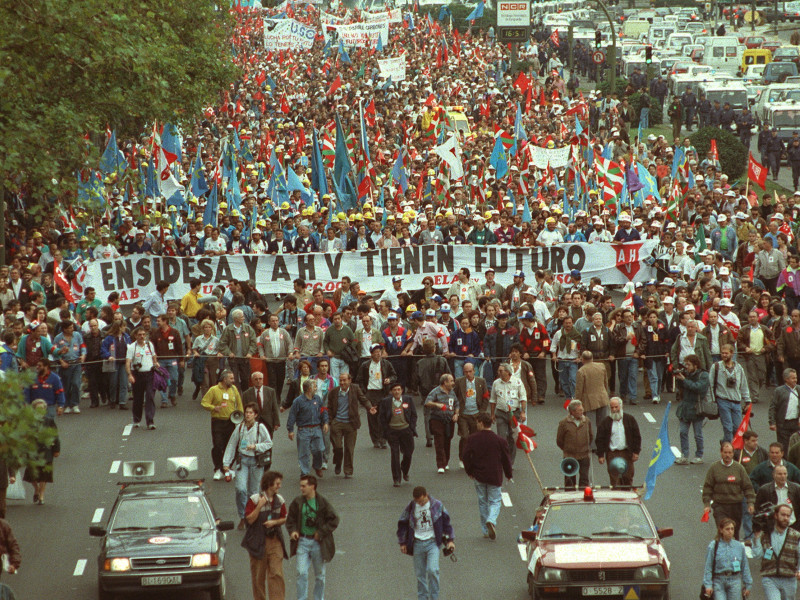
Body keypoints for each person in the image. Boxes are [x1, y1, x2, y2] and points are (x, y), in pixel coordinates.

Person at [396, 486, 455, 600]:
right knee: (420, 575)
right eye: (418, 502)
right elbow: (402, 523)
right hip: (417, 543)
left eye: (422, 501)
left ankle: (434, 597)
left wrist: (450, 541)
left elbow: (447, 523)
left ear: (426, 495)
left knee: (433, 570)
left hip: (432, 543)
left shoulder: (437, 505)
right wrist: (402, 542)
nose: (421, 504)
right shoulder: (411, 507)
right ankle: (422, 597)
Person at [286, 474, 339, 600]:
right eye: (301, 486)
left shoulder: (322, 502)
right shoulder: (297, 502)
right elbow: (291, 519)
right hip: (302, 542)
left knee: (320, 576)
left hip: (317, 543)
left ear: (312, 487)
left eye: (304, 486)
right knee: (301, 572)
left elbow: (334, 519)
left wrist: (321, 532)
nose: (301, 488)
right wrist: (293, 531)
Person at [222, 402, 273, 530]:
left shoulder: (260, 427)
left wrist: (256, 446)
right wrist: (226, 463)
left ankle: (252, 517)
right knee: (240, 489)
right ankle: (243, 516)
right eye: (247, 412)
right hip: (242, 461)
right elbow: (232, 444)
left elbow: (268, 443)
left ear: (255, 415)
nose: (248, 415)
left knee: (254, 492)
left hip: (256, 462)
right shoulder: (240, 427)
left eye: (251, 412)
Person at [462, 413, 513, 540]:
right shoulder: (500, 440)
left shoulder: (472, 439)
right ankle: (491, 520)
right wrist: (508, 474)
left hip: (478, 475)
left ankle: (485, 530)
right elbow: (506, 459)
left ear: (481, 423)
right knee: (495, 501)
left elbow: (465, 456)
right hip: (494, 475)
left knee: (482, 501)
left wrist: (469, 471)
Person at [243, 470, 288, 600]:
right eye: (277, 484)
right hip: (257, 542)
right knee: (258, 577)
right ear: (269, 484)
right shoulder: (255, 500)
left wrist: (275, 522)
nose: (279, 486)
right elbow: (249, 519)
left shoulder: (280, 500)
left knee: (276, 574)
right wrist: (259, 506)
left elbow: (285, 518)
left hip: (274, 541)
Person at [702, 442, 756, 539]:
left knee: (733, 533)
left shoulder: (739, 468)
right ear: (721, 452)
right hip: (720, 505)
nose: (727, 455)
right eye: (725, 452)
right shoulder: (714, 468)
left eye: (730, 453)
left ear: (733, 453)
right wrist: (707, 505)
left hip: (736, 506)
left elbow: (748, 487)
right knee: (724, 530)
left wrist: (750, 503)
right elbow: (707, 487)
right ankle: (719, 550)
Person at [327, 372, 375, 478]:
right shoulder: (334, 392)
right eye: (340, 380)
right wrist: (330, 421)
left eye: (344, 380)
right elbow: (329, 407)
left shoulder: (355, 389)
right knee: (338, 447)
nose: (342, 382)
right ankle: (338, 461)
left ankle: (348, 471)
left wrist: (369, 407)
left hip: (351, 423)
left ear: (350, 380)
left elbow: (363, 399)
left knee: (349, 448)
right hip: (337, 423)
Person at [201, 369, 244, 481]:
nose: (233, 380)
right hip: (218, 422)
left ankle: (227, 468)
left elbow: (239, 404)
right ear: (224, 379)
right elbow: (204, 402)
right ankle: (218, 469)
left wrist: (241, 419)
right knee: (218, 446)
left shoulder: (234, 389)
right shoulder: (214, 390)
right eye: (231, 378)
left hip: (231, 422)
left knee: (231, 447)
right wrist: (213, 408)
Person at [751, 504, 800, 600]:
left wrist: (799, 570)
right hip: (770, 578)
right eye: (783, 515)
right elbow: (758, 555)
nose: (785, 518)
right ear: (775, 515)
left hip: (789, 578)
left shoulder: (796, 536)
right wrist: (756, 537)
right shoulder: (765, 535)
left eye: (788, 515)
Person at [356, 342, 396, 449]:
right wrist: (364, 393)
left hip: (383, 393)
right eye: (376, 352)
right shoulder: (365, 365)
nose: (378, 354)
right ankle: (375, 440)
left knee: (383, 417)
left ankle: (383, 439)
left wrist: (389, 380)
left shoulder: (386, 364)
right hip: (371, 393)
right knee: (372, 418)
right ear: (371, 354)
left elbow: (394, 375)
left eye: (380, 352)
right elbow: (359, 380)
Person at [286, 379, 329, 478]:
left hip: (317, 428)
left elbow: (323, 410)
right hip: (303, 430)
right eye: (314, 386)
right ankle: (305, 473)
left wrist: (325, 422)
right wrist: (290, 430)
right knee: (304, 453)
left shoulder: (317, 399)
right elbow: (292, 415)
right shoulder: (298, 401)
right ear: (309, 389)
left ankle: (317, 466)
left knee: (319, 449)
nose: (316, 388)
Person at [702, 517, 753, 600]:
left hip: (735, 579)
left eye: (732, 529)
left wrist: (748, 584)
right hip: (719, 580)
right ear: (721, 530)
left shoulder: (739, 546)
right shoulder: (713, 546)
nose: (730, 531)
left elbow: (745, 566)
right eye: (727, 529)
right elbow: (708, 567)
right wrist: (708, 585)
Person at [595, 397, 641, 487]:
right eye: (612, 408)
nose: (614, 410)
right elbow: (600, 439)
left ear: (621, 406)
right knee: (615, 481)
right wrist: (601, 455)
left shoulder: (630, 419)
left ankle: (627, 497)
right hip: (612, 454)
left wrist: (636, 452)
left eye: (616, 407)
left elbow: (637, 436)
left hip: (627, 453)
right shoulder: (605, 422)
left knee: (628, 478)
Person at [379, 381, 417, 486]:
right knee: (394, 454)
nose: (397, 392)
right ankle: (396, 478)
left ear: (402, 391)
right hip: (393, 431)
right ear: (391, 392)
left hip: (406, 430)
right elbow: (381, 417)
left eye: (398, 389)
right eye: (394, 390)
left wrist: (411, 427)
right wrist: (386, 430)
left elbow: (414, 415)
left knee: (408, 453)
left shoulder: (408, 400)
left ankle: (404, 470)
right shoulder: (386, 402)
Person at [711, 344, 751, 443]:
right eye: (722, 353)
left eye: (726, 353)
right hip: (723, 400)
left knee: (737, 429)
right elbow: (710, 385)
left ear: (732, 354)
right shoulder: (716, 366)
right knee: (728, 427)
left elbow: (744, 384)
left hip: (736, 402)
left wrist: (747, 400)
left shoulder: (738, 368)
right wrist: (711, 401)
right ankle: (729, 449)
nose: (724, 355)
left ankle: (727, 444)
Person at [488, 363, 526, 465]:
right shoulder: (496, 383)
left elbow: (523, 398)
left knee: (512, 437)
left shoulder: (517, 382)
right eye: (498, 371)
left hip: (514, 413)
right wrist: (492, 414)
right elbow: (492, 400)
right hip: (500, 413)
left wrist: (523, 412)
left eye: (501, 371)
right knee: (501, 437)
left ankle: (510, 461)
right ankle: (501, 459)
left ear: (508, 372)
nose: (499, 373)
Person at [24, 398, 60, 505]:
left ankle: (42, 495)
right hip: (33, 451)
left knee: (44, 474)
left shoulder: (49, 421)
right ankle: (36, 489)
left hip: (46, 451)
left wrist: (56, 449)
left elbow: (55, 436)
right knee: (31, 474)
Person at [675, 353, 708, 465]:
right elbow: (681, 388)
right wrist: (679, 378)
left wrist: (684, 380)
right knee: (683, 432)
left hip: (697, 408)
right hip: (685, 407)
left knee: (697, 434)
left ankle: (699, 455)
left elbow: (697, 387)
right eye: (686, 365)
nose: (686, 367)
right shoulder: (686, 374)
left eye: (688, 365)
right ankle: (684, 455)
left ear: (695, 365)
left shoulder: (703, 375)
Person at [454, 362, 489, 465]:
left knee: (474, 437)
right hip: (463, 414)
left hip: (476, 414)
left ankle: (473, 457)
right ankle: (462, 458)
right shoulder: (459, 381)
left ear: (474, 371)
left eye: (470, 371)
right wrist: (456, 411)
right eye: (466, 372)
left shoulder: (481, 381)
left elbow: (486, 397)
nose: (468, 374)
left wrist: (481, 412)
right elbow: (454, 397)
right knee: (465, 437)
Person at [125, 328, 158, 430]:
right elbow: (128, 362)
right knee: (138, 398)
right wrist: (130, 375)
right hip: (137, 375)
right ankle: (137, 419)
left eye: (144, 334)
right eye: (139, 335)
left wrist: (155, 363)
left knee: (150, 397)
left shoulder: (149, 345)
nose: (142, 336)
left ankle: (150, 421)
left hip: (149, 374)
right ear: (136, 336)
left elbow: (153, 355)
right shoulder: (131, 347)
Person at [575, 351, 610, 446]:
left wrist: (577, 403)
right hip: (603, 398)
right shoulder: (601, 366)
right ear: (592, 358)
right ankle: (604, 443)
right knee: (603, 423)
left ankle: (593, 445)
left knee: (591, 424)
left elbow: (579, 389)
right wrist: (605, 393)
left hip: (589, 401)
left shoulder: (581, 371)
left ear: (582, 359)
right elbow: (605, 382)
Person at [556, 400, 594, 489]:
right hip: (570, 456)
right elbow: (559, 440)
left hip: (584, 455)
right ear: (572, 412)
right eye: (579, 410)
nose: (582, 412)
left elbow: (591, 436)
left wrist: (586, 447)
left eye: (582, 410)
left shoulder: (586, 421)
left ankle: (583, 499)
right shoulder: (564, 423)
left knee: (584, 480)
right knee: (569, 481)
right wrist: (567, 449)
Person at [425, 374, 458, 473]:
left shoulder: (452, 392)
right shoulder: (435, 392)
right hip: (437, 419)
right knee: (439, 441)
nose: (453, 383)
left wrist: (456, 414)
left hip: (449, 420)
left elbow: (457, 404)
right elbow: (427, 403)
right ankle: (440, 465)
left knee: (448, 440)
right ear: (445, 382)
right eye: (451, 381)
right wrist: (437, 404)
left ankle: (446, 462)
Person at [218, 308, 257, 393]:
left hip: (245, 359)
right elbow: (222, 343)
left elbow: (254, 342)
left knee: (245, 379)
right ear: (236, 319)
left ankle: (245, 396)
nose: (244, 318)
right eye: (242, 316)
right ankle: (236, 396)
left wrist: (250, 353)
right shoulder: (228, 329)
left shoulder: (248, 328)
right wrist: (229, 352)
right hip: (233, 359)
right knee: (234, 380)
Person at [756, 466, 800, 531]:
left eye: (785, 474)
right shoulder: (764, 490)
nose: (783, 476)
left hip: (794, 526)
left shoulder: (796, 488)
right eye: (780, 474)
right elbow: (757, 510)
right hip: (772, 527)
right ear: (774, 475)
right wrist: (758, 529)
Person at [243, 371, 280, 437]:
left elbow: (274, 408)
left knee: (268, 442)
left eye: (260, 379)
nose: (258, 381)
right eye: (256, 379)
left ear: (263, 380)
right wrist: (245, 422)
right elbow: (244, 409)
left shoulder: (271, 391)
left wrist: (276, 422)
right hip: (253, 422)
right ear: (252, 381)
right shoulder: (246, 394)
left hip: (268, 422)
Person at [770, 368, 800, 451]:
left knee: (796, 446)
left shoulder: (799, 389)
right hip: (783, 424)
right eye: (793, 378)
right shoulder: (779, 391)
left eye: (796, 378)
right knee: (783, 447)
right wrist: (772, 422)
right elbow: (773, 407)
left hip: (796, 424)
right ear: (786, 379)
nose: (795, 380)